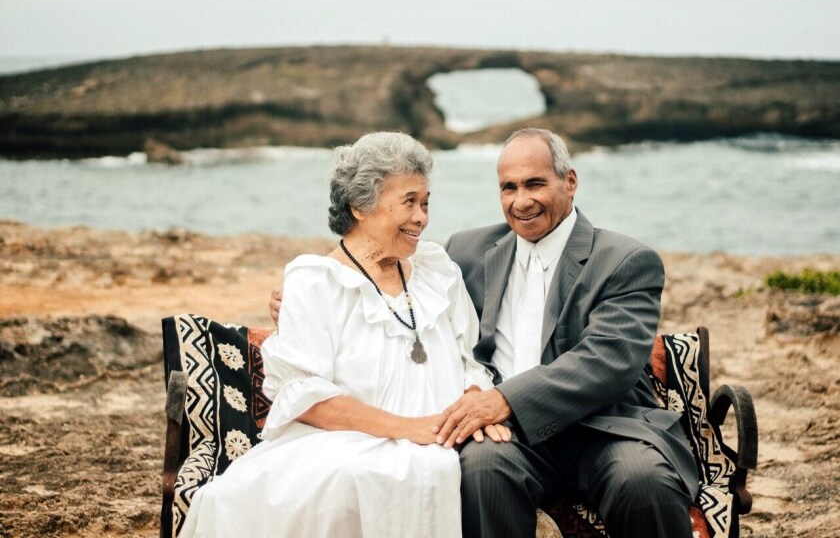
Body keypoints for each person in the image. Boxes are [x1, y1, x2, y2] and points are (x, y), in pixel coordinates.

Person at [268, 128, 700, 538]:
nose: (521, 200)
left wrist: (503, 400)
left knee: (644, 482)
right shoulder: (466, 253)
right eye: (508, 188)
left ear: (570, 182)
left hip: (605, 428)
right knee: (481, 469)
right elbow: (394, 292)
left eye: (535, 184)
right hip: (508, 435)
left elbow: (609, 362)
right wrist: (300, 301)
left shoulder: (625, 260)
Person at [182, 132, 504, 538]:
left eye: (425, 203)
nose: (422, 217)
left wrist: (473, 405)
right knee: (374, 475)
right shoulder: (314, 280)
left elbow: (469, 361)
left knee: (432, 467)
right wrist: (410, 428)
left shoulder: (438, 270)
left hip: (442, 437)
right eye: (408, 202)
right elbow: (307, 397)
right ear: (360, 206)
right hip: (345, 442)